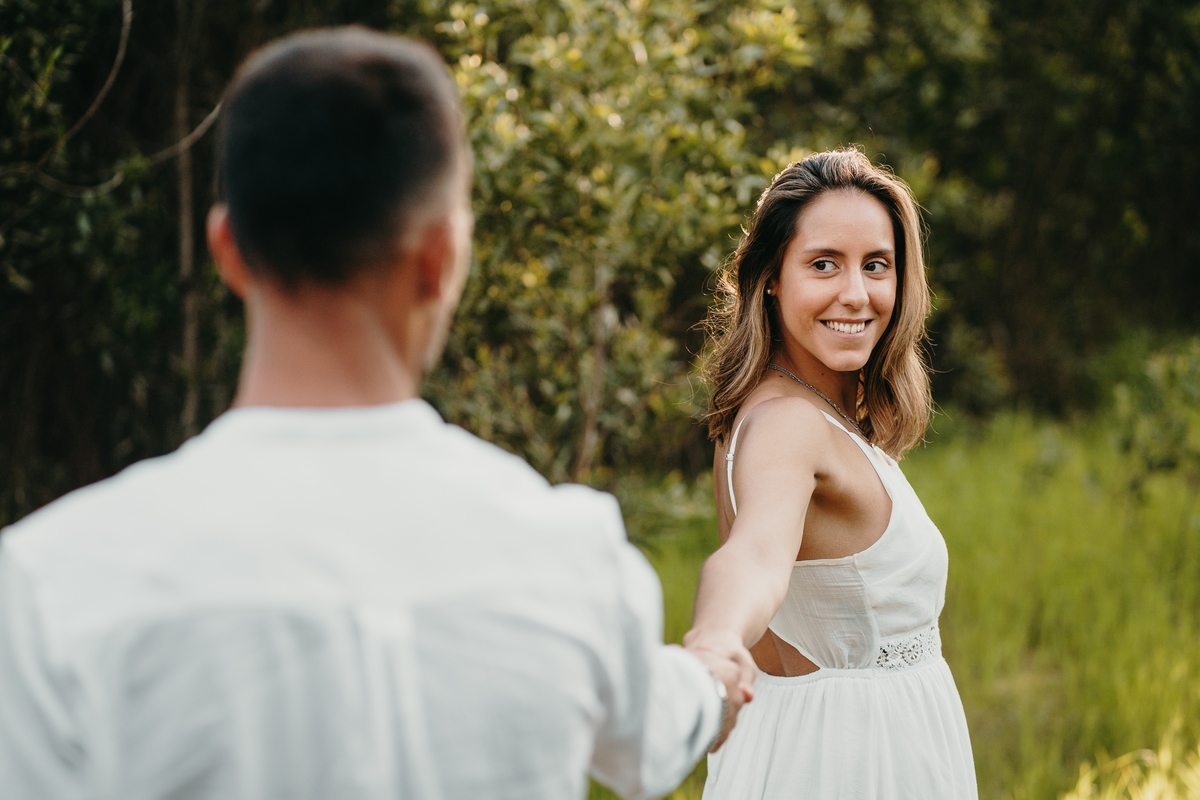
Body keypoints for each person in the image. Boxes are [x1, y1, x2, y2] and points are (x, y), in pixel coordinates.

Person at [0, 27, 754, 800]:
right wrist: (710, 678)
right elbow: (652, 738)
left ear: (228, 250)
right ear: (440, 260)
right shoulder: (569, 555)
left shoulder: (54, 586)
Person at [684, 149, 978, 798]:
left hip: (821, 745)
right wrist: (714, 642)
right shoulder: (788, 425)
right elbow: (755, 556)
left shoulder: (791, 410)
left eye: (877, 265)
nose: (856, 293)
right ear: (771, 278)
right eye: (824, 264)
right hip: (849, 764)